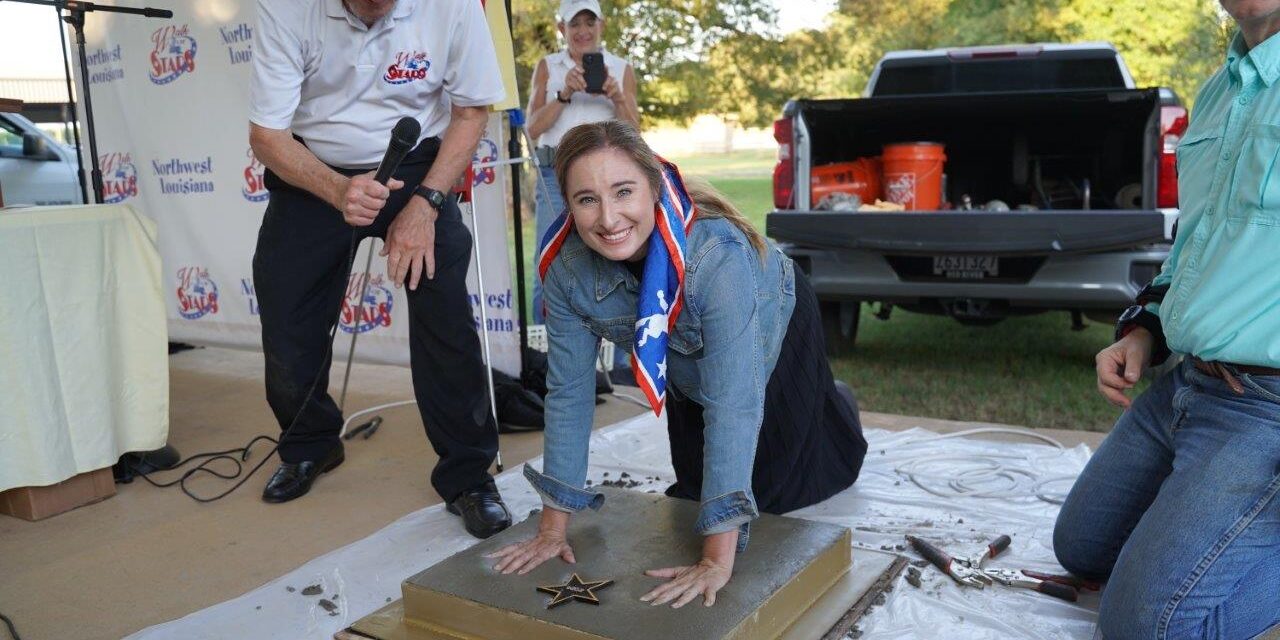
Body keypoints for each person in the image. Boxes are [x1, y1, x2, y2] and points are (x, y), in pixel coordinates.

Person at [486, 120, 868, 608]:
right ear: (568, 204)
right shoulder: (565, 273)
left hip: (774, 318)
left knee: (775, 499)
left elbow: (733, 403)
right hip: (685, 358)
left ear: (654, 186)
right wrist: (552, 528)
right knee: (693, 495)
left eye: (623, 192)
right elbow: (569, 395)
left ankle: (836, 404)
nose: (608, 218)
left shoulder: (715, 255)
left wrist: (716, 561)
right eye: (587, 199)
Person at [1053, 2, 1280, 636]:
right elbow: (1195, 243)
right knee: (1082, 549)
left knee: (1144, 625)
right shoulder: (1218, 92)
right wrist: (1143, 330)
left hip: (1268, 405)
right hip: (1188, 384)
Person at [246, 0, 512, 539]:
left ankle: (468, 475)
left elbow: (470, 112)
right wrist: (338, 190)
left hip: (419, 167)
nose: (374, 11)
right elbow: (268, 135)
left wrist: (427, 204)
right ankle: (311, 445)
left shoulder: (453, 5)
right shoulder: (283, 7)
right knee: (286, 315)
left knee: (446, 321)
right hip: (315, 168)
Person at [526, 0, 640, 381]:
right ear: (562, 29)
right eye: (575, 24)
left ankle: (623, 367)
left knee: (619, 257)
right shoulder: (548, 66)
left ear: (601, 25)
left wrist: (616, 97)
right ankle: (547, 361)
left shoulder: (620, 68)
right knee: (551, 259)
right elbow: (532, 127)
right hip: (555, 171)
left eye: (589, 23)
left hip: (608, 174)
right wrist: (563, 95)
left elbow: (635, 131)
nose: (583, 31)